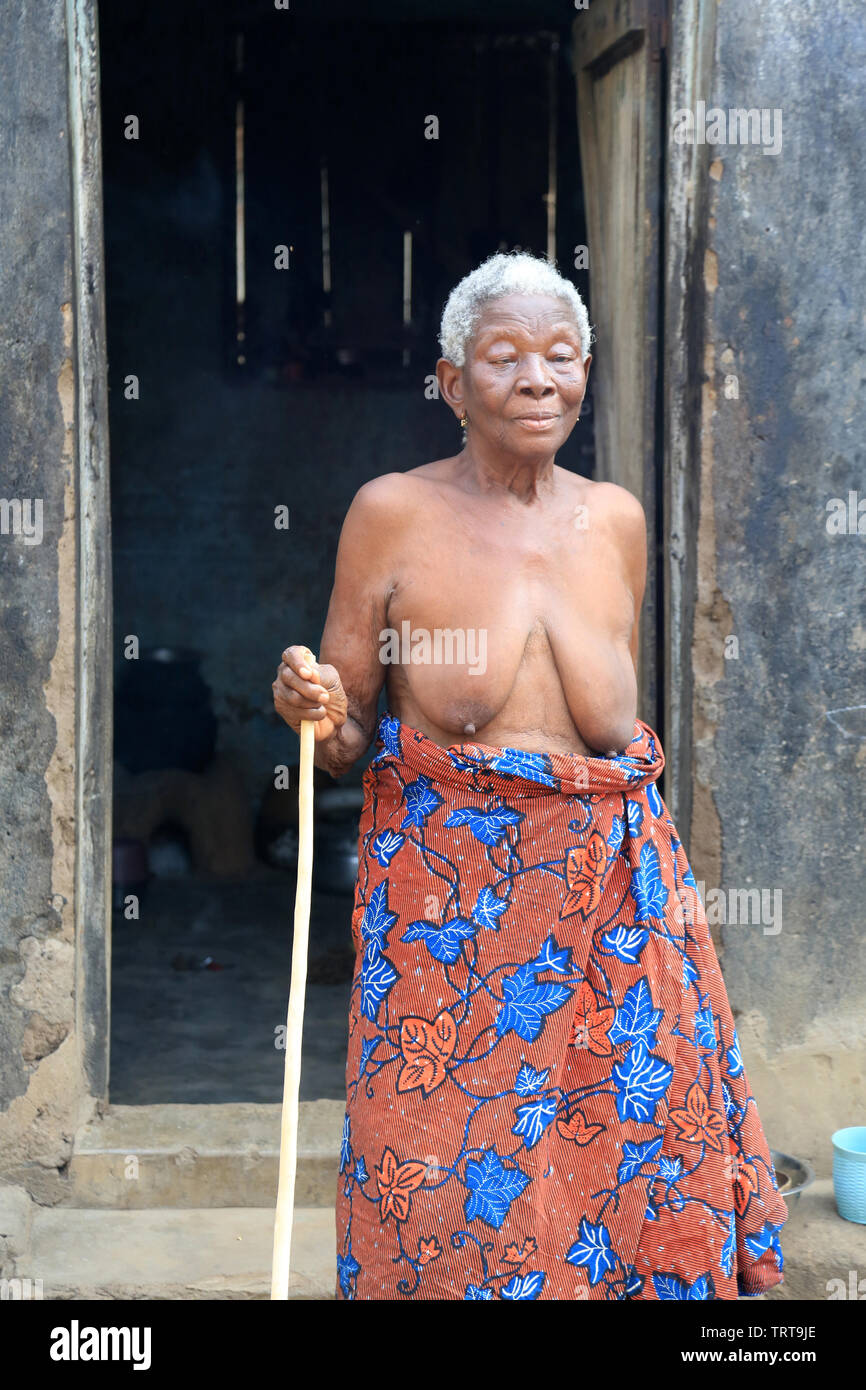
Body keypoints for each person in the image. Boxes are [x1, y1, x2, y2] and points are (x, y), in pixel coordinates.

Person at [273, 251, 788, 1301]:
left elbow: (609, 733)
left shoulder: (615, 520)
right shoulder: (391, 514)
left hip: (615, 889)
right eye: (503, 357)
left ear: (585, 373)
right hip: (453, 912)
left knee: (628, 1148)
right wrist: (309, 706)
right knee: (446, 1169)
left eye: (560, 356)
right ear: (451, 383)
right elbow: (343, 733)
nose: (537, 379)